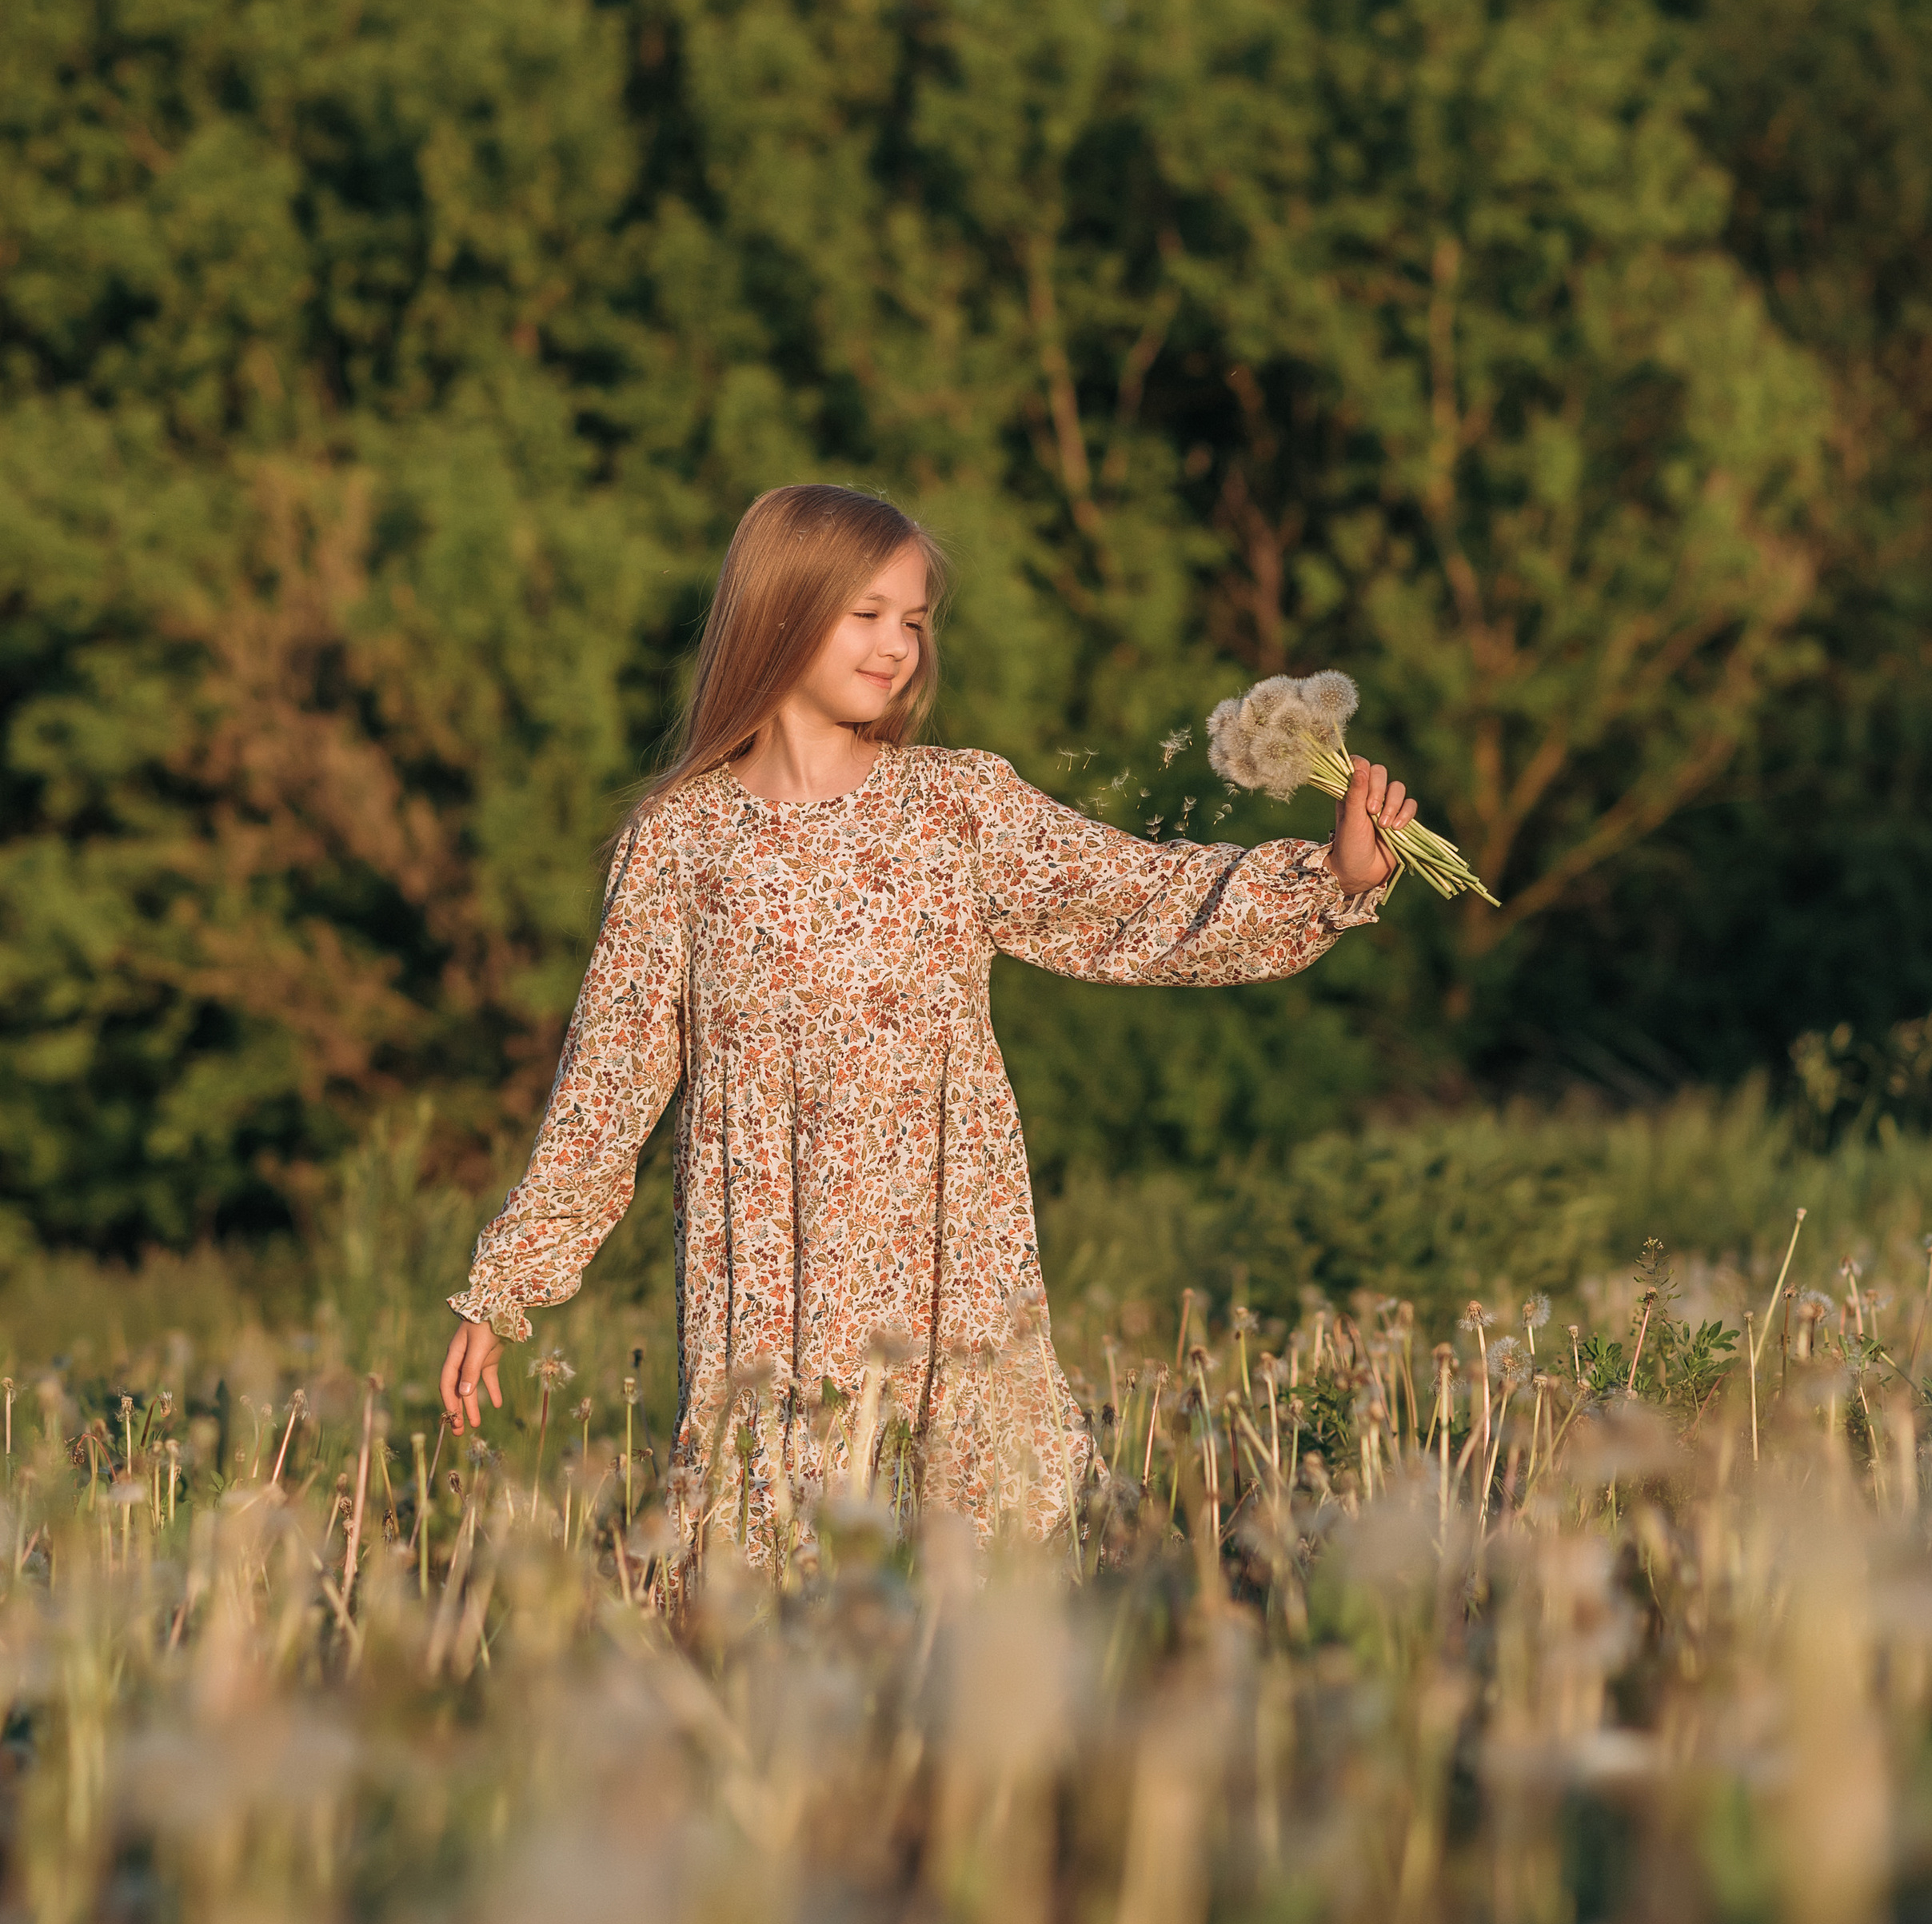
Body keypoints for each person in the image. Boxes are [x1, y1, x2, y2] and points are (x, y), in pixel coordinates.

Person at [440, 483, 1415, 1552]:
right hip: (771, 1291)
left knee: (989, 1571)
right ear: (778, 608)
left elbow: (1131, 900)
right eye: (866, 614)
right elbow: (609, 1082)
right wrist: (508, 1283)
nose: (896, 645)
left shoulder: (956, 806)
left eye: (912, 620)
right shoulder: (680, 839)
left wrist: (1328, 877)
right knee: (778, 1579)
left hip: (951, 1266)